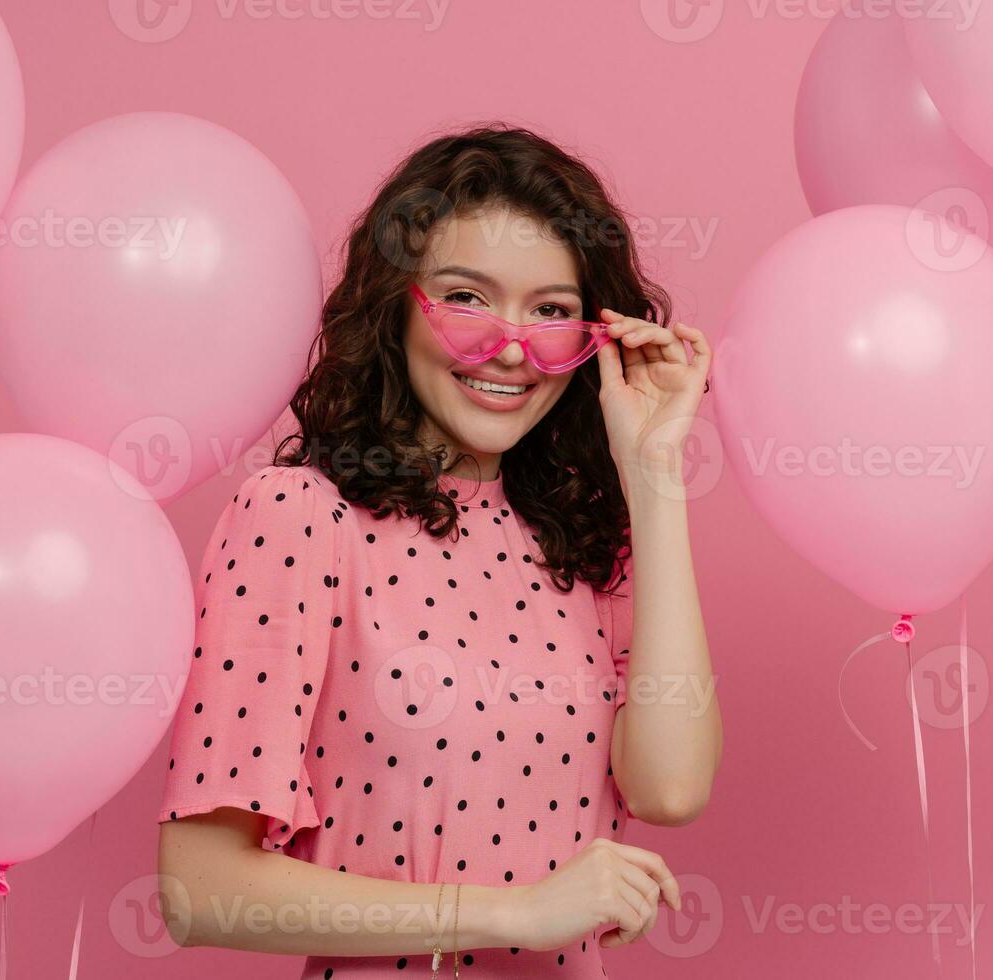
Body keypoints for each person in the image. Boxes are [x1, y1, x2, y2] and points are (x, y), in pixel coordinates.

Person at [156, 124, 721, 978]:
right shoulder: (299, 518)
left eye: (552, 311)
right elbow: (200, 888)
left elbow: (670, 791)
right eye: (466, 297)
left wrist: (654, 473)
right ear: (396, 304)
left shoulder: (586, 543)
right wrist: (516, 910)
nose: (510, 346)